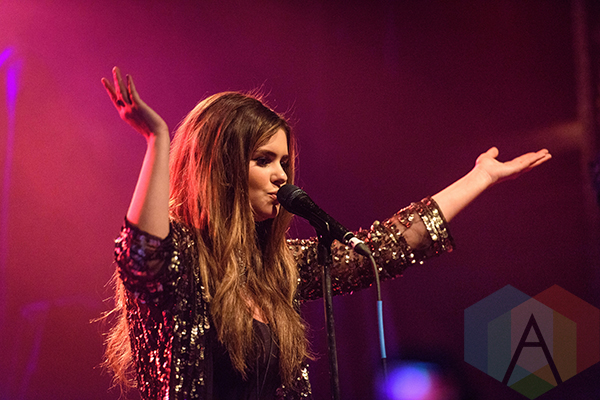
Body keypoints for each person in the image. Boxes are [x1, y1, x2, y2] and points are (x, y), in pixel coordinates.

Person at [101, 67, 551, 400]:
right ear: (220, 168)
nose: (282, 176)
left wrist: (480, 178)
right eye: (263, 160)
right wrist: (157, 141)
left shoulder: (278, 269)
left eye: (284, 162)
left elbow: (382, 248)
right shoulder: (182, 261)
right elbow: (142, 254)